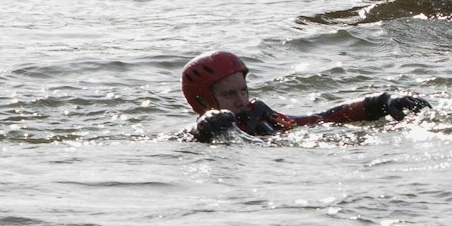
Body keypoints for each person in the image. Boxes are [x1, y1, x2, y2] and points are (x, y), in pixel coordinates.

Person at [182, 50, 429, 143]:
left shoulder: (261, 116)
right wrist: (207, 130)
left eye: (243, 90)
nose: (241, 100)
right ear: (202, 102)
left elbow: (320, 119)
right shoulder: (202, 135)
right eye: (229, 94)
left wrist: (381, 102)